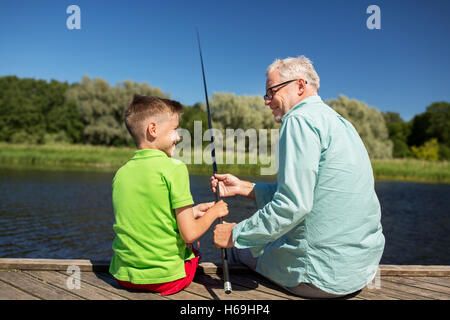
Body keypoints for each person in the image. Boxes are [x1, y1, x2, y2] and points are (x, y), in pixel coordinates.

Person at [211, 56, 385, 299]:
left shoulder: (298, 120)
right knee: (268, 237)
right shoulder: (340, 123)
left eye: (271, 92)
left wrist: (235, 234)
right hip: (358, 272)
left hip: (319, 278)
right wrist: (244, 187)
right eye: (266, 95)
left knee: (239, 249)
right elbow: (314, 195)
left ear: (300, 86)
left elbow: (293, 206)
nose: (267, 101)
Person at [109, 94, 228, 296]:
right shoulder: (175, 168)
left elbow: (147, 215)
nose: (179, 136)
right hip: (167, 280)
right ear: (153, 129)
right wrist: (215, 212)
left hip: (123, 276)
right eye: (174, 130)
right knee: (193, 244)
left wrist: (193, 211)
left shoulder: (121, 173)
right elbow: (189, 234)